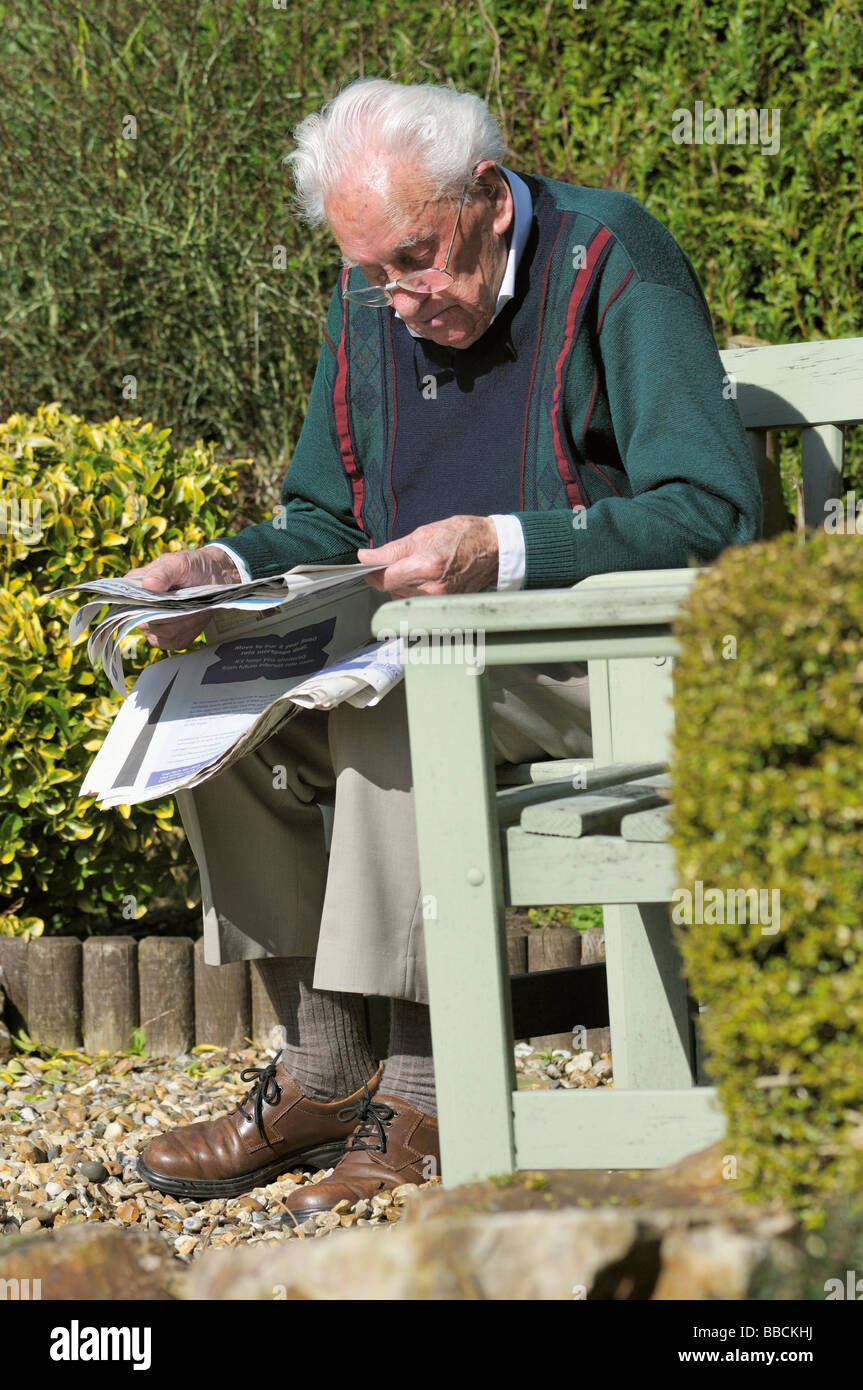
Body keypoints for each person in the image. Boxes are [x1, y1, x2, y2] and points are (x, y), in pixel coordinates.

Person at [129, 78, 762, 1214]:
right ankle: (322, 1072)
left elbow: (711, 510)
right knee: (207, 689)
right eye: (372, 271)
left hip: (616, 662)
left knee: (404, 691)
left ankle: (423, 1091)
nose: (400, 297)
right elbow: (327, 519)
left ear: (486, 195)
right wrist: (218, 572)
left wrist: (500, 548)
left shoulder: (611, 256)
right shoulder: (370, 297)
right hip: (430, 651)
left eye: (418, 257)